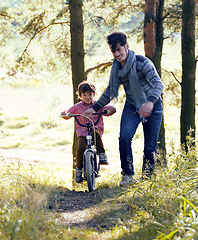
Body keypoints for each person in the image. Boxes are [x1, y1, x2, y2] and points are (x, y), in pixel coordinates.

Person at [84, 32, 164, 187]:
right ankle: (127, 175)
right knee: (124, 138)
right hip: (132, 106)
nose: (117, 54)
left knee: (149, 147)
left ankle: (146, 180)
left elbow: (158, 84)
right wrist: (94, 108)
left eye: (119, 49)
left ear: (127, 47)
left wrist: (150, 102)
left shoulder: (142, 62)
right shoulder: (117, 68)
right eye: (113, 51)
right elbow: (110, 90)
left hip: (153, 107)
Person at [61, 81, 116, 183]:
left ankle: (102, 154)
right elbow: (67, 112)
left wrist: (110, 110)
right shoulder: (77, 107)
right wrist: (65, 114)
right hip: (82, 131)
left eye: (90, 94)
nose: (87, 97)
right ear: (80, 96)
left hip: (95, 128)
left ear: (94, 95)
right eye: (84, 95)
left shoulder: (97, 105)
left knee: (96, 134)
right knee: (80, 148)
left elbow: (109, 109)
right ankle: (78, 170)